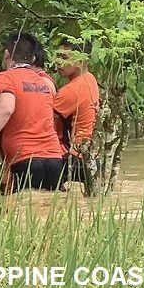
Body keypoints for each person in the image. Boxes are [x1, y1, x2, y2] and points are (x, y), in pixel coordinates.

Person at [0, 33, 65, 193]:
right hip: (55, 159)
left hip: (24, 158)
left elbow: (5, 109)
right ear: (32, 59)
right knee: (47, 213)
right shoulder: (44, 82)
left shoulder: (5, 77)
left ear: (6, 54)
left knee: (11, 214)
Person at [53, 39, 100, 184]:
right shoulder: (90, 79)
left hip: (72, 158)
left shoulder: (71, 90)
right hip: (90, 157)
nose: (59, 62)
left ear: (81, 60)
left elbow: (44, 122)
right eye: (58, 56)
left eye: (65, 58)